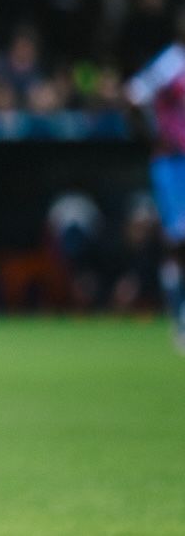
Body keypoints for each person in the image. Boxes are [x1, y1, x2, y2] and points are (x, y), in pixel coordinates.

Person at [127, 21, 185, 352]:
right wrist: (155, 134)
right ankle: (178, 316)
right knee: (177, 240)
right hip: (173, 163)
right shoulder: (170, 63)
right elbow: (134, 95)